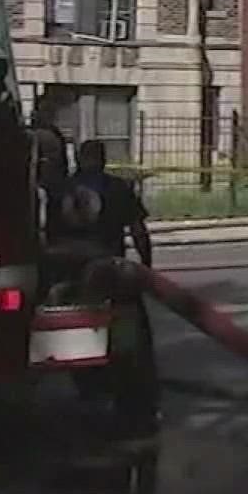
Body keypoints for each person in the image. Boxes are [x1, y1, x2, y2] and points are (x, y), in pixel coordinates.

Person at [51, 139, 157, 431]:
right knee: (127, 335)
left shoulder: (59, 190)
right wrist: (146, 268)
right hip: (111, 272)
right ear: (104, 159)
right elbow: (138, 230)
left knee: (76, 334)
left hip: (70, 275)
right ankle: (130, 399)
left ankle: (89, 386)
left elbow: (47, 235)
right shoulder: (118, 188)